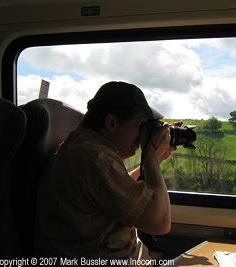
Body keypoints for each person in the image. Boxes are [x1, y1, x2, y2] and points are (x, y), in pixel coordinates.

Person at [34, 81, 178, 264]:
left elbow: (124, 191)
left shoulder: (85, 150)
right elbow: (159, 223)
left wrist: (154, 159)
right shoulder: (94, 158)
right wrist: (150, 159)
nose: (142, 136)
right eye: (141, 125)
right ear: (111, 122)